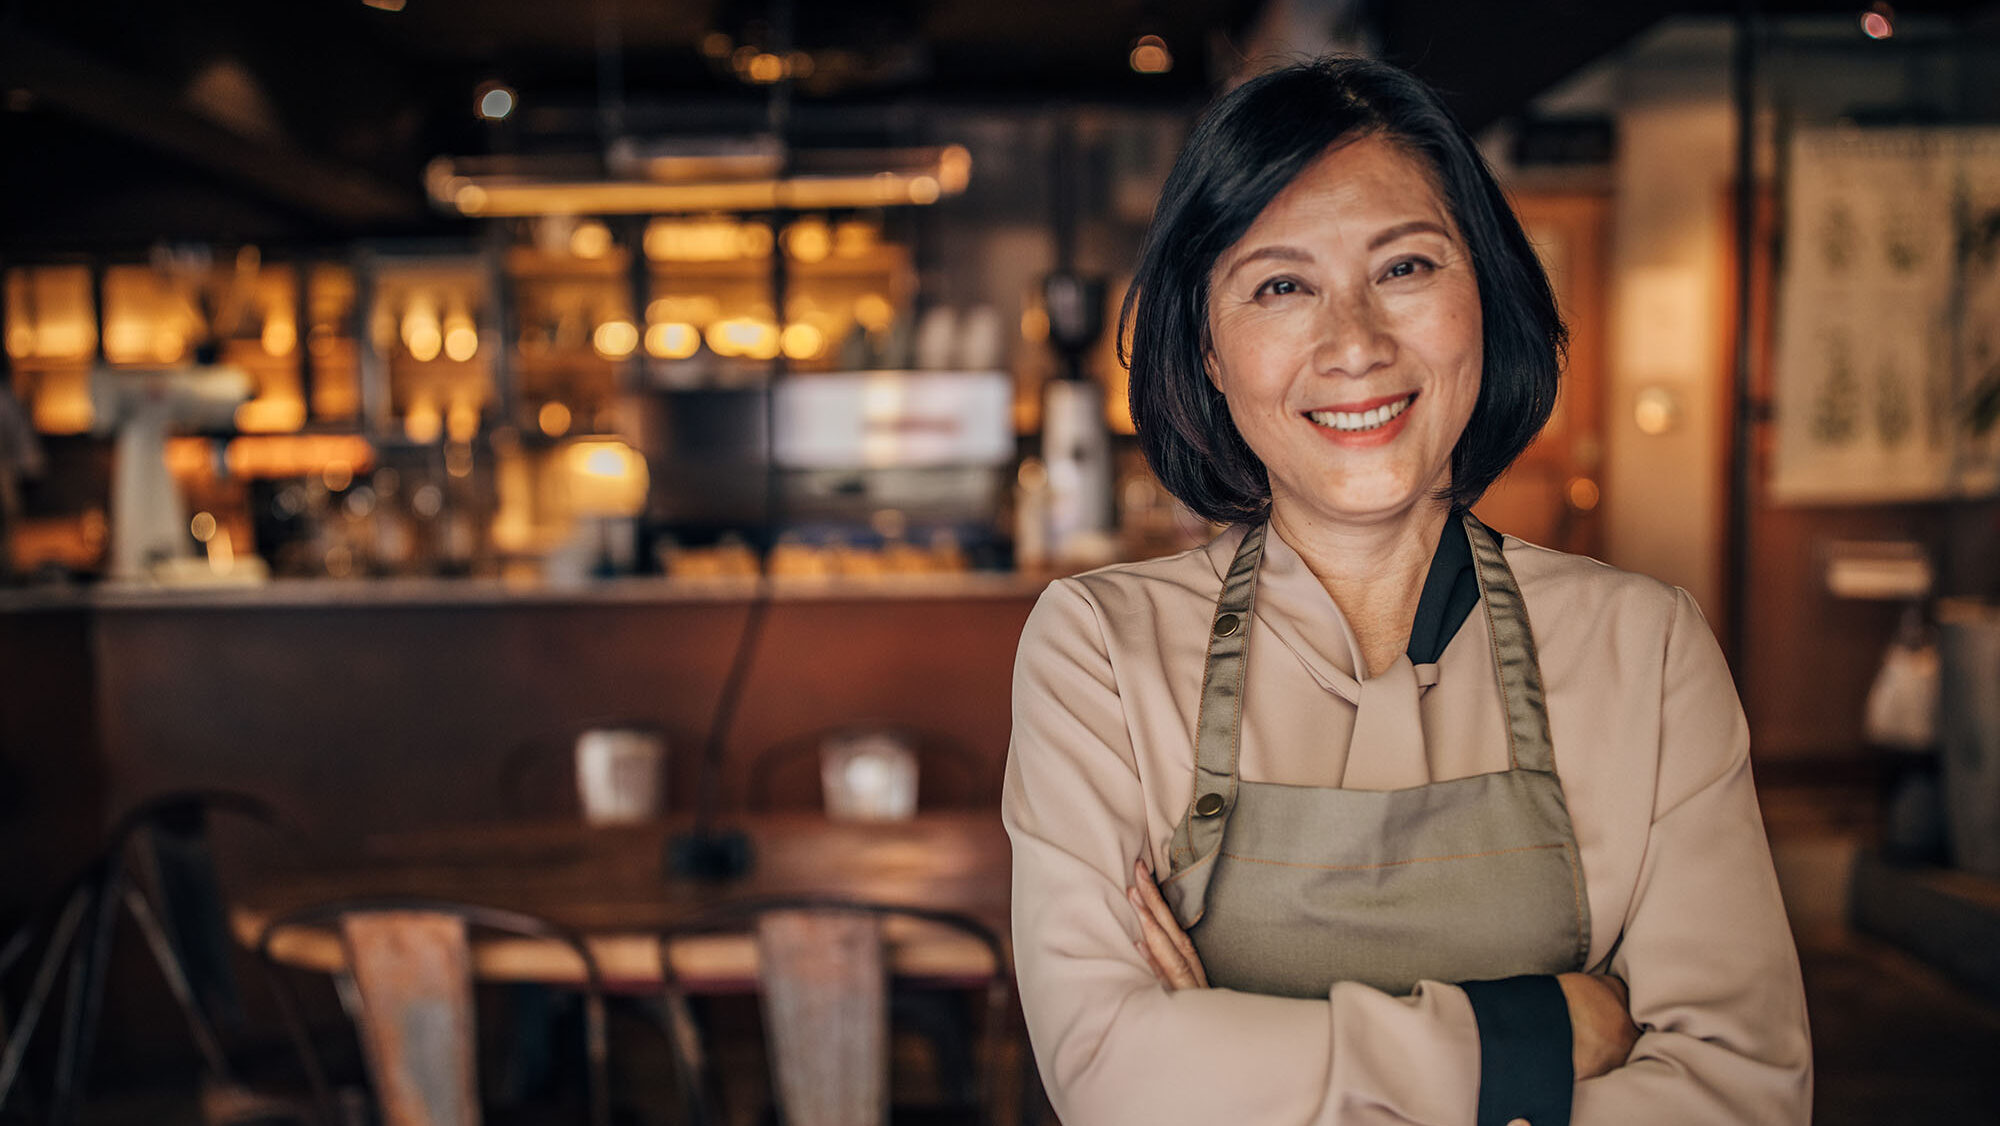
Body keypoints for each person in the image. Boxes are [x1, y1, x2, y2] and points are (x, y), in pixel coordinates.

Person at [1002, 57, 1811, 1126]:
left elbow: (1741, 1092)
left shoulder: (1645, 650)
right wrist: (1542, 1035)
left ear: (1486, 294)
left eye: (1405, 267)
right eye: (1280, 285)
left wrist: (1245, 1061)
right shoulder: (1099, 650)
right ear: (1205, 347)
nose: (1354, 344)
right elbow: (1115, 1077)